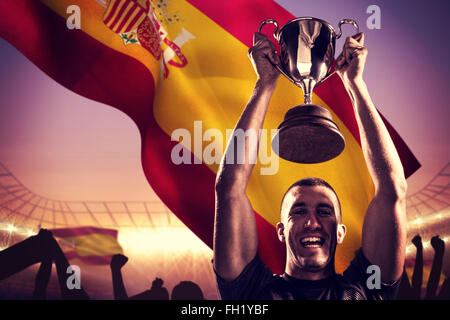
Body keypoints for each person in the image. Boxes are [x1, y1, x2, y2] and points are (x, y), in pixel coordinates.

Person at [213, 31, 407, 300]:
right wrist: (265, 84)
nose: (312, 222)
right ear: (281, 230)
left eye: (325, 211)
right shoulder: (250, 292)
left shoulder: (367, 287)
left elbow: (392, 189)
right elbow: (229, 189)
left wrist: (355, 85)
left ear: (340, 232)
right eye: (298, 211)